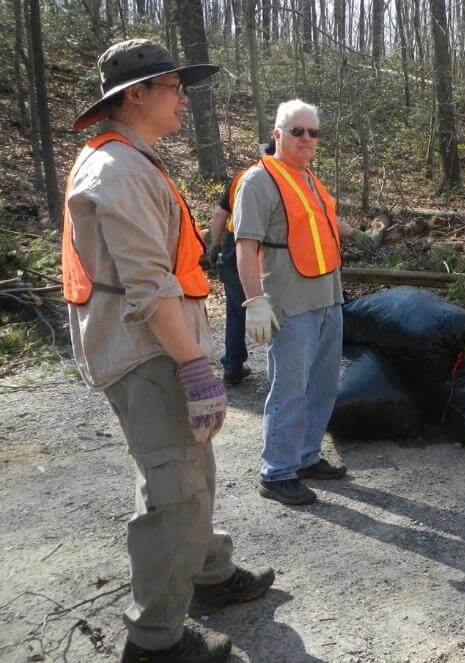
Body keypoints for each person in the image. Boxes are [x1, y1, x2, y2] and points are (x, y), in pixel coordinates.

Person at [64, 40, 274, 662]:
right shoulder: (119, 170)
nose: (185, 97)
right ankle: (155, 641)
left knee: (186, 469)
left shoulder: (132, 160)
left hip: (159, 348)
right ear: (136, 94)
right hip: (151, 353)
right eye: (173, 87)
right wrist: (193, 366)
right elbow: (147, 285)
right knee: (174, 488)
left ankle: (206, 575)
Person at [233, 99, 377, 506]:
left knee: (324, 383)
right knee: (289, 388)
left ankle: (305, 456)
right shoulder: (258, 181)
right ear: (277, 134)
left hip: (328, 296)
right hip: (288, 301)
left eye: (313, 132)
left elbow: (326, 223)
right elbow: (245, 247)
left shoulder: (310, 178)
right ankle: (276, 472)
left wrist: (362, 235)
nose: (307, 139)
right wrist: (255, 302)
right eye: (297, 131)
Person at [207, 140, 276, 386]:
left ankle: (233, 365)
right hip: (271, 251)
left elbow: (218, 216)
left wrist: (215, 247)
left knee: (237, 309)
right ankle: (282, 369)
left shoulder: (242, 178)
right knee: (278, 308)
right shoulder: (285, 180)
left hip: (234, 248)